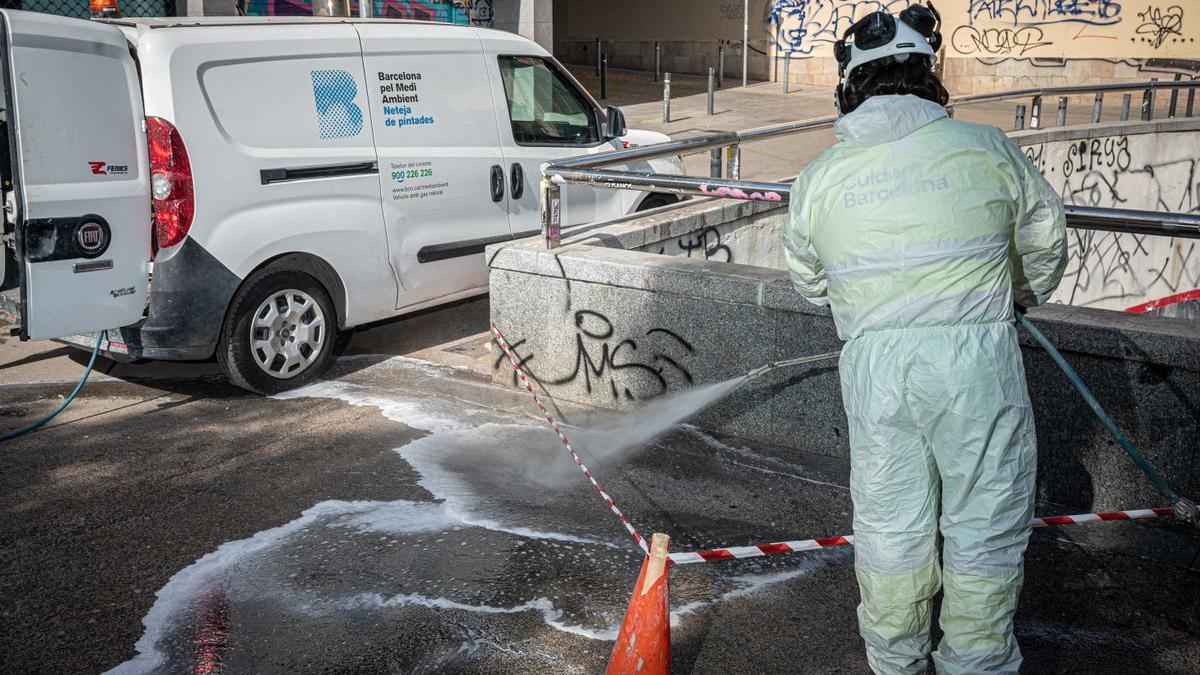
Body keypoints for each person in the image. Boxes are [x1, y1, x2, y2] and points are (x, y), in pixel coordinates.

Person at [782, 5, 1067, 674]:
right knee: (985, 524)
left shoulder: (818, 179)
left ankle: (895, 660)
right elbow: (1045, 246)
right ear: (929, 76)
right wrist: (1014, 295)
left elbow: (809, 282)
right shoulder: (989, 147)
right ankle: (976, 660)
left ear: (851, 85)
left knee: (890, 528)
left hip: (877, 370)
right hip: (977, 363)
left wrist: (869, 304)